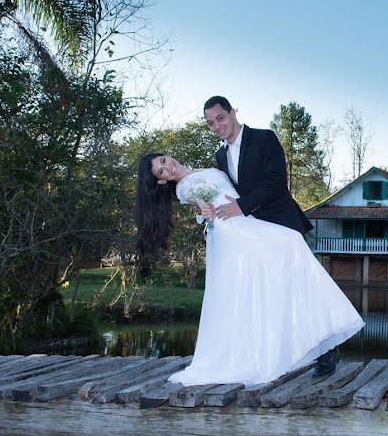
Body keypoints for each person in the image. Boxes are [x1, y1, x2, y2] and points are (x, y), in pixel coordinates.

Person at [135, 153, 364, 386]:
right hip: (233, 232)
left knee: (278, 272)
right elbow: (201, 205)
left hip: (246, 221)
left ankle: (317, 342)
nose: (168, 167)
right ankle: (305, 345)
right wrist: (204, 211)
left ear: (167, 155)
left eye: (163, 161)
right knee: (289, 244)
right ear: (161, 181)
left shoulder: (199, 172)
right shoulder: (185, 188)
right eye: (161, 172)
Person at [201, 96, 339, 376]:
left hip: (282, 224)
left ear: (233, 112)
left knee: (302, 290)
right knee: (272, 295)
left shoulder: (264, 138)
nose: (217, 126)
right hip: (254, 235)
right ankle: (282, 355)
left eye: (220, 118)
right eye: (210, 123)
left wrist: (242, 206)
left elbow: (276, 182)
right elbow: (227, 193)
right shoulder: (220, 156)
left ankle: (328, 351)